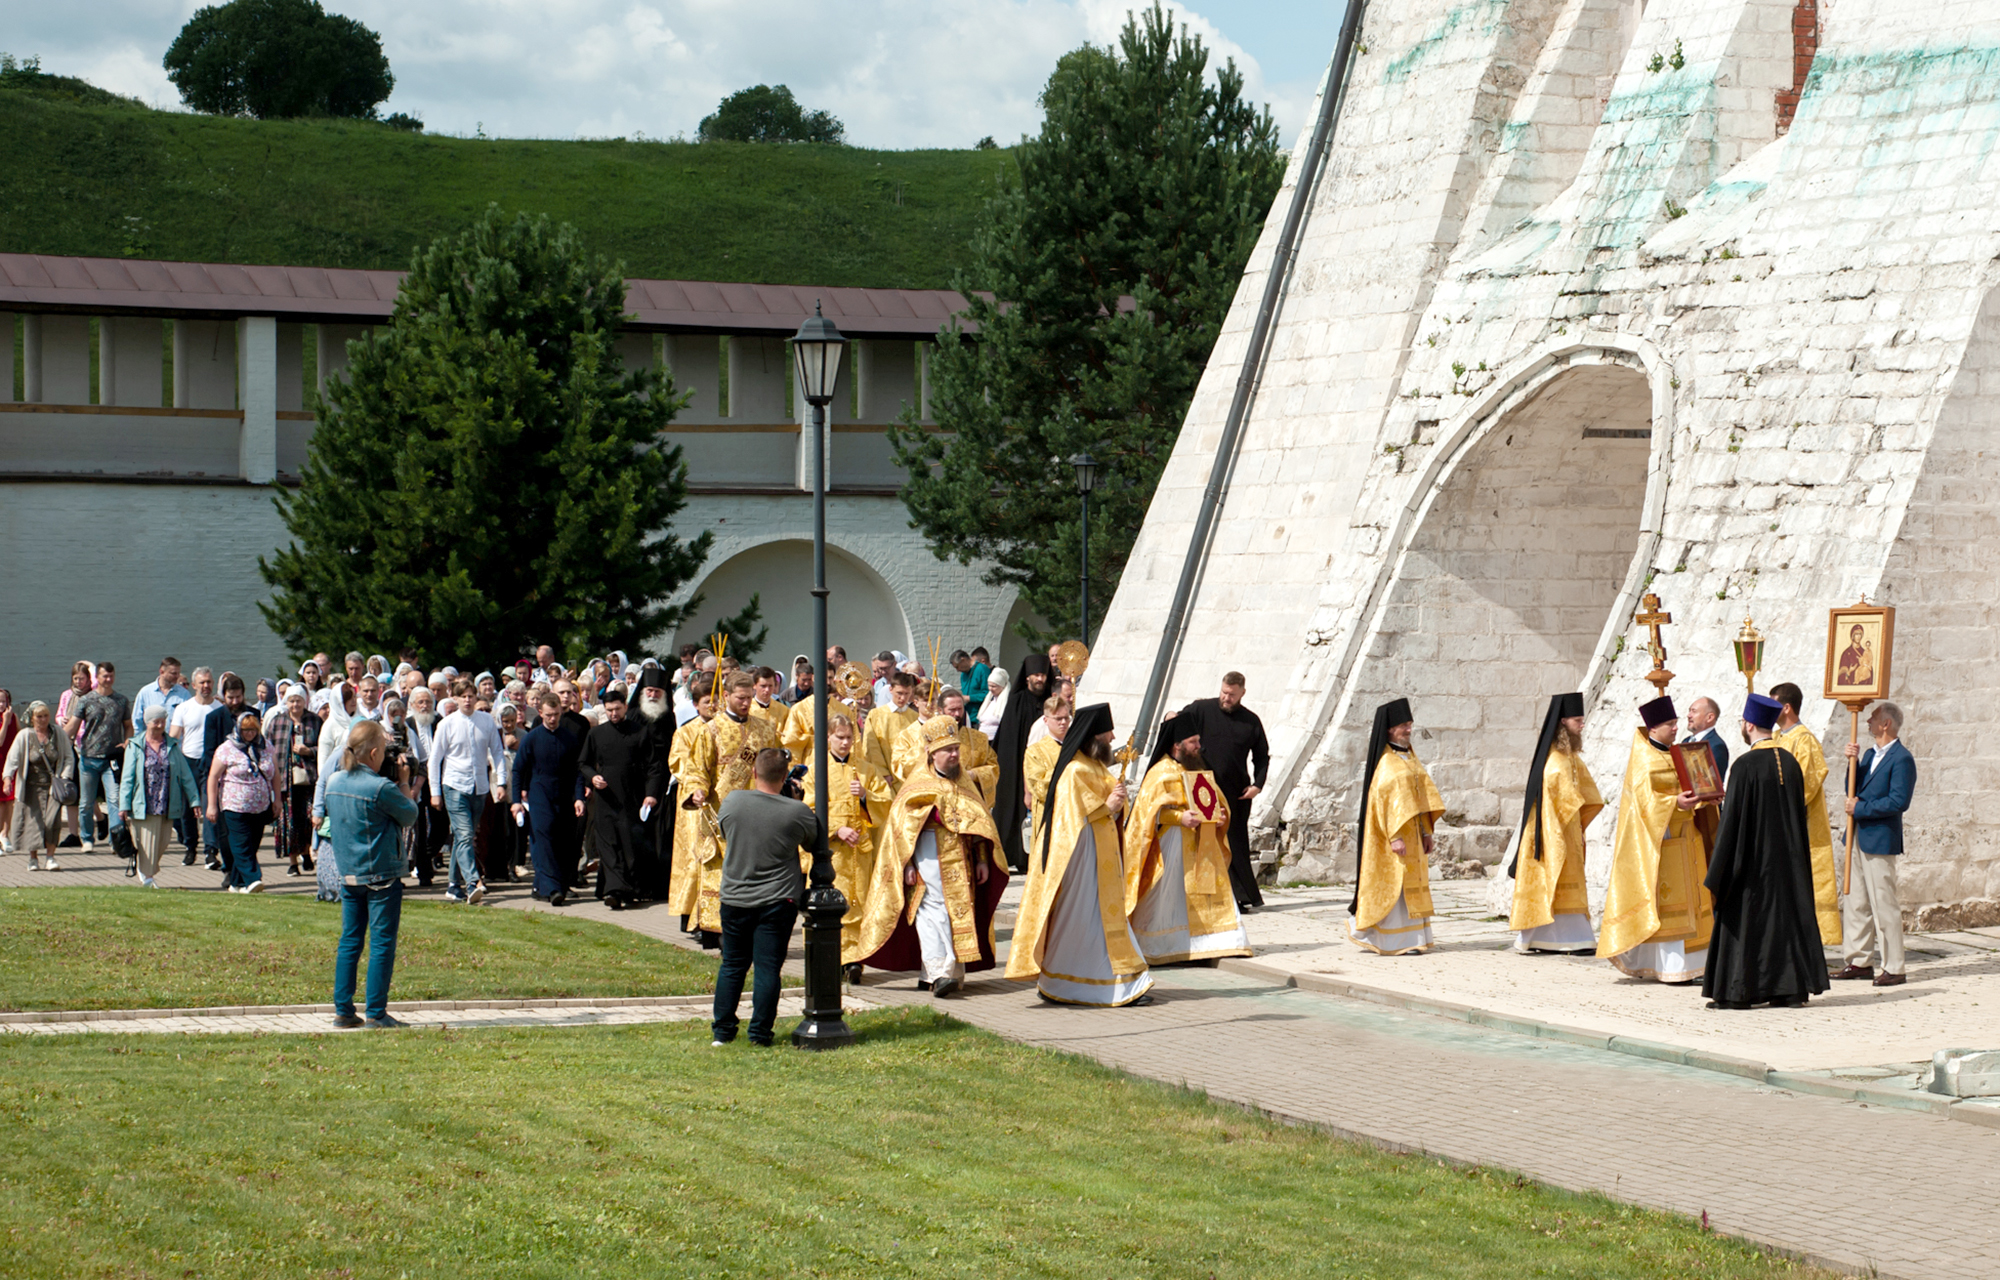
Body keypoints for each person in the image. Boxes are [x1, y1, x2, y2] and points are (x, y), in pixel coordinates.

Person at [1006, 703, 1153, 1006]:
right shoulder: (1074, 771)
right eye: (1108, 735)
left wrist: (1117, 805)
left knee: (1098, 919)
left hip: (1102, 856)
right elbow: (1072, 818)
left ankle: (1084, 983)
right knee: (1085, 919)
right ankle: (1099, 985)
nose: (1113, 739)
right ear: (1093, 736)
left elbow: (1105, 809)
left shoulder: (1095, 766)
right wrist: (1108, 807)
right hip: (1083, 859)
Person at [859, 716, 1007, 996]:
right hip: (928, 853)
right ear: (932, 753)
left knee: (956, 911)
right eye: (948, 750)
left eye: (956, 749)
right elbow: (902, 827)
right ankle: (941, 972)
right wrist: (908, 863)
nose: (954, 755)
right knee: (931, 909)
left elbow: (979, 820)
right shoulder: (917, 783)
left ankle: (938, 974)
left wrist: (983, 859)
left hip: (962, 858)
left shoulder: (964, 780)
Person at [1703, 694, 1828, 1009]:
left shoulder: (1744, 765)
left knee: (1746, 924)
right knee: (1781, 924)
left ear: (1747, 725)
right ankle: (1786, 990)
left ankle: (1739, 992)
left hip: (1752, 865)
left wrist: (1719, 868)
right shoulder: (1790, 762)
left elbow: (1731, 822)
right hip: (1786, 863)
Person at [1597, 696, 1716, 982]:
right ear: (1654, 728)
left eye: (1676, 723)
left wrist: (1706, 795)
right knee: (1670, 908)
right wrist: (1674, 803)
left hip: (1688, 840)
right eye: (1670, 724)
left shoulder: (1678, 752)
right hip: (1661, 844)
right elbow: (1644, 804)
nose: (1677, 728)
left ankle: (1696, 964)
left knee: (1696, 904)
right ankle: (1672, 967)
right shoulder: (1643, 759)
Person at [713, 747, 821, 1046]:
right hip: (777, 899)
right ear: (786, 777)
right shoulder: (796, 811)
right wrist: (795, 802)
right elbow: (813, 843)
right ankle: (760, 1033)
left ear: (753, 773)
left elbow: (724, 831)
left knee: (732, 965)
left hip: (735, 895)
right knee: (767, 968)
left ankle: (722, 1032)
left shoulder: (733, 800)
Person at [1124, 712, 1252, 964]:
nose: (1198, 746)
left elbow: (1212, 801)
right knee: (1169, 895)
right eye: (1193, 742)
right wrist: (1179, 818)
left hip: (1202, 844)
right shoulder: (1159, 773)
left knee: (1207, 891)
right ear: (1176, 745)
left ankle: (1214, 943)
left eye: (1197, 740)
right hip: (1172, 845)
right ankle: (1163, 946)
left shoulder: (1198, 769)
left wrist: (1220, 817)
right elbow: (1148, 813)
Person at [326, 719, 420, 1030]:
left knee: (350, 941)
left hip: (349, 873)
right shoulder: (379, 787)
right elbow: (409, 815)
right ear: (375, 752)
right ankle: (376, 1014)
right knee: (381, 943)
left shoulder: (334, 782)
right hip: (381, 874)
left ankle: (343, 1010)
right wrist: (404, 780)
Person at [678, 672, 778, 938]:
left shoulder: (765, 729)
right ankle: (720, 929)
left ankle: (756, 925)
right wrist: (697, 789)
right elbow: (697, 768)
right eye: (740, 698)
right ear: (726, 696)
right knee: (723, 871)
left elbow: (775, 768)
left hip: (759, 813)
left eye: (749, 698)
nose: (746, 703)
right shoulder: (710, 730)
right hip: (722, 813)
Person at [1507, 692, 1603, 954]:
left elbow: (1587, 792)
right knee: (1550, 881)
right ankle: (1542, 939)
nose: (1582, 725)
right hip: (1550, 832)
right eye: (1577, 720)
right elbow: (1560, 797)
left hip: (1568, 829)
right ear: (1563, 722)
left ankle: (1571, 939)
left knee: (1566, 883)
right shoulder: (1554, 761)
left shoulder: (1570, 756)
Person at [1348, 698, 1445, 954]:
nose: (1409, 729)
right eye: (1404, 725)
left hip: (1415, 834)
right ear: (1390, 728)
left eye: (1410, 724)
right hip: (1395, 838)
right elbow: (1384, 803)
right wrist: (1394, 837)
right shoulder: (1386, 763)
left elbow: (1421, 798)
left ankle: (1415, 939)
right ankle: (1392, 940)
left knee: (1412, 886)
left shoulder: (1410, 757)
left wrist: (1426, 831)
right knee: (1395, 886)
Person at [1835, 701, 1916, 988]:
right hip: (1857, 834)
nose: (1868, 722)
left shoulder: (1902, 759)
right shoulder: (1870, 754)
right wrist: (1852, 763)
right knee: (1855, 900)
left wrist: (1860, 809)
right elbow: (1852, 790)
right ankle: (1859, 960)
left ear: (1886, 724)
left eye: (1873, 719)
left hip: (1880, 837)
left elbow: (1898, 802)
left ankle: (1894, 966)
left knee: (1884, 903)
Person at [1176, 674, 1271, 912]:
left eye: (1232, 694)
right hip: (1203, 790)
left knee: (1235, 843)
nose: (1226, 698)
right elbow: (1177, 723)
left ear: (1242, 693)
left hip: (1236, 792)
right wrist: (1171, 717)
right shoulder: (1201, 709)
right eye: (1224, 692)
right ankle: (1203, 893)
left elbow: (1261, 755)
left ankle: (1238, 897)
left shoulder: (1251, 721)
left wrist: (1257, 785)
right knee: (1205, 841)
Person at [800, 710, 882, 982]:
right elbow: (807, 808)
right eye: (840, 737)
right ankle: (831, 957)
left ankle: (855, 959)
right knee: (832, 902)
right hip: (831, 853)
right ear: (829, 738)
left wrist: (866, 797)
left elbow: (887, 803)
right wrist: (836, 828)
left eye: (849, 738)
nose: (845, 743)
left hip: (860, 851)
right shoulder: (815, 771)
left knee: (859, 902)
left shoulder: (866, 769)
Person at [1769, 682, 1843, 948]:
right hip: (1778, 824)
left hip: (1802, 826)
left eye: (1774, 704)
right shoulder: (1775, 738)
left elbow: (1805, 785)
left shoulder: (1805, 740)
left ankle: (1810, 944)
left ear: (1786, 707)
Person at [427, 678, 507, 904]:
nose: (468, 700)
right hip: (454, 785)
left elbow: (498, 753)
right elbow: (435, 760)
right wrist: (435, 792)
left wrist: (501, 782)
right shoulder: (447, 724)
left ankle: (453, 885)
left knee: (464, 837)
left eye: (471, 696)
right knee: (464, 834)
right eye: (463, 696)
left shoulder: (487, 721)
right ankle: (473, 881)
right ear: (456, 698)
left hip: (479, 787)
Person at [577, 687, 655, 910]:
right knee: (608, 846)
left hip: (631, 798)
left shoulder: (640, 732)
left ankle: (625, 889)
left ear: (626, 707)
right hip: (605, 799)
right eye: (609, 710)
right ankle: (613, 891)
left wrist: (650, 794)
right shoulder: (597, 734)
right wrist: (593, 778)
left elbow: (653, 766)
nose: (613, 714)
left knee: (628, 847)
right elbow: (583, 763)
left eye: (617, 709)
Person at [512, 691, 587, 905]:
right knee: (543, 840)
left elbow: (577, 771)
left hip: (564, 795)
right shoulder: (531, 738)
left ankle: (549, 885)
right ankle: (552, 888)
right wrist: (516, 801)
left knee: (563, 841)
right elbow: (518, 770)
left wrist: (579, 797)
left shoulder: (570, 739)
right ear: (540, 713)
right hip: (539, 793)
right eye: (548, 715)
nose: (552, 719)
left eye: (556, 714)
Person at [117, 704, 200, 887]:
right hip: (143, 803)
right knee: (148, 843)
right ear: (147, 723)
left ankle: (145, 869)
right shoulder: (136, 745)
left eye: (163, 721)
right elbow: (127, 778)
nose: (160, 725)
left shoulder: (172, 745)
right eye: (156, 721)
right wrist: (123, 805)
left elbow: (186, 776)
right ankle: (147, 877)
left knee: (162, 843)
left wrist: (195, 801)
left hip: (167, 802)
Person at [668, 673, 721, 938]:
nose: (711, 706)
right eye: (706, 702)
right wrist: (700, 781)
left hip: (719, 801)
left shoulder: (723, 729)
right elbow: (678, 763)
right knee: (694, 859)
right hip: (694, 803)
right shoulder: (685, 731)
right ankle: (691, 915)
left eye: (715, 701)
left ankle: (710, 917)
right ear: (697, 704)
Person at [991, 653, 1054, 872]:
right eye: (1036, 675)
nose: (1040, 679)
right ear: (1027, 677)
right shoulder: (1017, 701)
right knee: (1013, 807)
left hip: (1045, 766)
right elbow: (1008, 739)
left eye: (1043, 675)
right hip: (1016, 765)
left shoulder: (1051, 702)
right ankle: (1013, 853)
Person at [207, 709, 278, 893]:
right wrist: (212, 805)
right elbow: (213, 777)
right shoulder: (226, 749)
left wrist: (277, 799)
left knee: (253, 844)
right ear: (238, 729)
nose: (250, 734)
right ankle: (253, 879)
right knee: (241, 844)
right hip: (234, 806)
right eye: (246, 730)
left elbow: (275, 774)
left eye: (253, 730)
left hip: (260, 806)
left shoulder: (266, 746)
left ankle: (236, 883)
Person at [891, 688, 999, 804]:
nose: (957, 714)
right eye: (952, 710)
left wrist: (974, 774)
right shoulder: (910, 736)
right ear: (940, 710)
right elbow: (899, 767)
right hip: (933, 801)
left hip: (969, 800)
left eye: (960, 709)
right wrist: (924, 752)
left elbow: (993, 767)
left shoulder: (979, 738)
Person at [67, 661, 130, 856]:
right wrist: (61, 739)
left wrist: (127, 741)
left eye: (111, 676)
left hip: (111, 760)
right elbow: (74, 726)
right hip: (88, 759)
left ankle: (115, 840)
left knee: (114, 800)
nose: (108, 680)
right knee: (86, 802)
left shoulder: (121, 700)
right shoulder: (86, 700)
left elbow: (128, 725)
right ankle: (87, 839)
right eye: (105, 676)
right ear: (98, 677)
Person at [4, 701, 74, 871]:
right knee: (32, 824)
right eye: (39, 716)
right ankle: (33, 859)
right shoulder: (25, 736)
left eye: (45, 716)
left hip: (53, 787)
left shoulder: (58, 733)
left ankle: (50, 857)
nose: (42, 720)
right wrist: (7, 779)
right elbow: (12, 759)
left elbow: (68, 757)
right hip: (30, 787)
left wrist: (65, 777)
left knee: (52, 822)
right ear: (32, 718)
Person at [267, 686, 319, 877]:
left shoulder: (314, 720)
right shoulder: (277, 722)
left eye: (298, 700)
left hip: (309, 779)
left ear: (305, 701)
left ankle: (306, 852)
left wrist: (309, 751)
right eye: (291, 700)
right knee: (288, 821)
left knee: (307, 818)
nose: (295, 704)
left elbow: (323, 747)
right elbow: (268, 748)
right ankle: (292, 861)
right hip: (284, 780)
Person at [168, 667, 216, 865]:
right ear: (194, 685)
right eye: (202, 683)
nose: (205, 686)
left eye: (209, 682)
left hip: (212, 763)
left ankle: (211, 850)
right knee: (188, 809)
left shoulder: (219, 708)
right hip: (188, 761)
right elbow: (173, 737)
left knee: (209, 806)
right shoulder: (184, 708)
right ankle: (190, 847)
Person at [860, 672, 921, 789]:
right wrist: (883, 772)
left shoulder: (915, 717)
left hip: (911, 778)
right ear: (891, 689)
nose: (903, 698)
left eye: (907, 694)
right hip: (886, 777)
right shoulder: (876, 715)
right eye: (899, 693)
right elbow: (872, 747)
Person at [54, 660, 92, 847]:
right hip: (70, 746)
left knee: (90, 791)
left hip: (87, 746)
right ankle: (73, 833)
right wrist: (62, 720)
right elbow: (59, 713)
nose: (78, 682)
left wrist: (88, 664)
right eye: (75, 678)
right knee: (72, 790)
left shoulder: (93, 695)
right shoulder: (67, 695)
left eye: (82, 678)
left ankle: (99, 821)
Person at [1682, 696, 1732, 780]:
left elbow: (1712, 781)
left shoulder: (1716, 746)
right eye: (1689, 711)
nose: (1689, 715)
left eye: (1694, 711)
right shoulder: (1686, 741)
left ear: (1709, 718)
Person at [0, 688, 18, 853]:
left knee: (9, 800)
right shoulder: (5, 719)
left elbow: (17, 737)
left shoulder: (13, 717)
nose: (1, 704)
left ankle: (5, 834)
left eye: (3, 701)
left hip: (9, 763)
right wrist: (5, 722)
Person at [954, 648, 991, 722]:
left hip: (979, 717)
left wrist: (968, 698)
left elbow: (988, 694)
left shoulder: (982, 669)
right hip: (967, 718)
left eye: (957, 666)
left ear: (963, 660)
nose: (957, 670)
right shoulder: (963, 675)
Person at [977, 666, 1009, 739]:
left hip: (996, 739)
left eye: (993, 686)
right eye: (989, 685)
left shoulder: (1007, 702)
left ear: (1002, 686)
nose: (990, 689)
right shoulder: (989, 700)